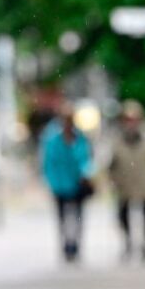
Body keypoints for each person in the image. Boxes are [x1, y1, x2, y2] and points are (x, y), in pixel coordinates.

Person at [40, 103, 94, 262]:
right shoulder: (53, 140)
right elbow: (49, 164)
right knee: (63, 217)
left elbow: (86, 160)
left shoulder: (81, 139)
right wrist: (52, 183)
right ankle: (66, 243)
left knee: (78, 216)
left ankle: (76, 242)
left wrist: (85, 173)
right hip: (60, 185)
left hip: (77, 183)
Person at [109, 100, 145, 262]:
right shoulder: (117, 137)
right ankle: (128, 243)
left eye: (134, 119)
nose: (131, 123)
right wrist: (112, 180)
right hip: (124, 184)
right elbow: (111, 162)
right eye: (127, 119)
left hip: (144, 183)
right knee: (123, 216)